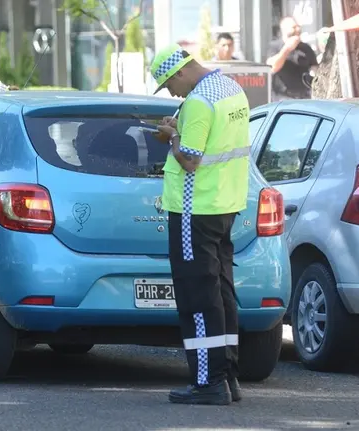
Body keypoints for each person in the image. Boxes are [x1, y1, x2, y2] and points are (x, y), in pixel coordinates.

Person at [149, 43, 251, 406]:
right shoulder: (231, 90)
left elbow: (189, 160)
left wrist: (171, 136)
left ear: (179, 71)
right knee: (222, 292)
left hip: (195, 208)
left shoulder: (198, 102)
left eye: (169, 85)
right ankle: (229, 378)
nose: (173, 93)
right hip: (225, 204)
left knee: (198, 296)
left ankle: (208, 382)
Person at [266, 16, 318, 100]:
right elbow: (272, 67)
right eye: (294, 27)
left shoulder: (306, 47)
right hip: (283, 97)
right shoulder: (275, 46)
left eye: (298, 27)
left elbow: (314, 67)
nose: (298, 29)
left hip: (304, 97)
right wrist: (286, 49)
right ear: (284, 29)